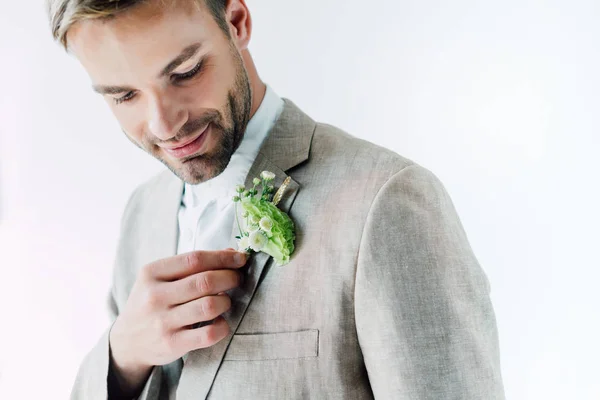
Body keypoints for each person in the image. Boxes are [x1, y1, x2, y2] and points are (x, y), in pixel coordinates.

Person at [47, 0, 506, 398]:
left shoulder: (386, 202)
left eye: (185, 72)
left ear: (237, 21)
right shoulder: (142, 213)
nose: (164, 124)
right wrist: (122, 355)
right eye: (124, 95)